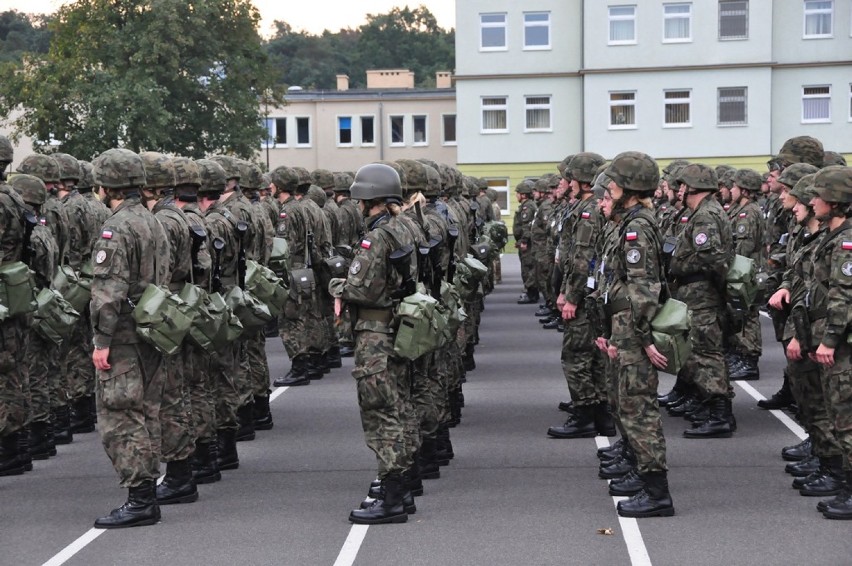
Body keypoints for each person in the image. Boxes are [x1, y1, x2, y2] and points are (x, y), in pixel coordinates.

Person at [331, 163, 418, 525]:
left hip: (376, 334)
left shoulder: (377, 237)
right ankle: (401, 487)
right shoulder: (404, 227)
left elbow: (360, 287)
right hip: (397, 329)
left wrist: (336, 286)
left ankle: (393, 493)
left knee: (381, 413)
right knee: (399, 405)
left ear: (369, 198)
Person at [89, 148, 169, 529]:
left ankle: (139, 499)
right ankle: (147, 494)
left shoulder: (116, 227)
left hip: (123, 336)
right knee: (147, 412)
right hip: (152, 331)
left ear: (107, 185)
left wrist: (101, 341)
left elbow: (108, 291)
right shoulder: (153, 221)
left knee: (120, 417)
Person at [593, 151, 673, 518]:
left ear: (629, 190)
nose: (605, 194)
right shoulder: (630, 222)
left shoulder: (638, 228)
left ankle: (657, 492)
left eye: (611, 187)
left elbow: (643, 291)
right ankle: (644, 477)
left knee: (639, 408)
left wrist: (643, 339)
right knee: (628, 403)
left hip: (634, 332)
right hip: (623, 329)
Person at [794, 165, 852, 519]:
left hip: (841, 346)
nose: (812, 201)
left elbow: (844, 295)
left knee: (846, 419)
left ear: (836, 200)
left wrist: (829, 341)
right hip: (827, 341)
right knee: (837, 414)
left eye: (818, 196)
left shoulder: (846, 241)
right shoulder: (831, 236)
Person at [668, 164, 735, 438]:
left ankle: (720, 414)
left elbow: (711, 258)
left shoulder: (705, 216)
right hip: (696, 294)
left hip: (702, 296)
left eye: (683, 185)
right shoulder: (702, 213)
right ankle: (710, 407)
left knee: (707, 354)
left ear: (694, 187)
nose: (680, 190)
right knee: (699, 352)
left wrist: (679, 264)